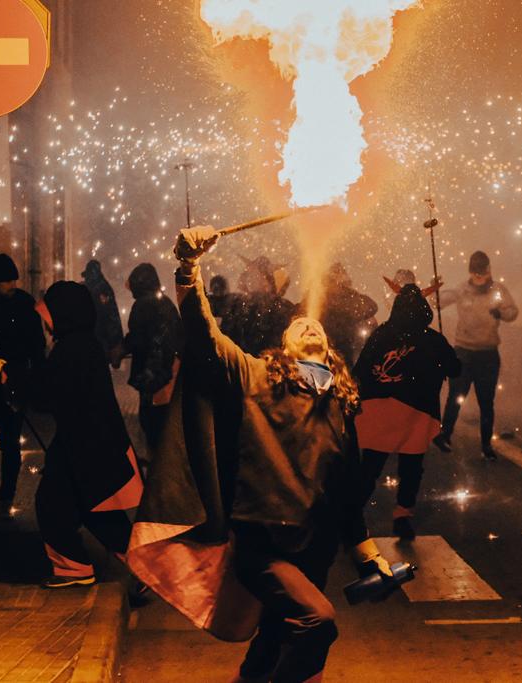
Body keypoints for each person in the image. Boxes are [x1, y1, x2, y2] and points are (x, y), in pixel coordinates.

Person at [128, 226, 397, 683]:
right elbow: (204, 331)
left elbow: (348, 490)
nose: (307, 322)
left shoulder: (338, 402)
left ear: (328, 347)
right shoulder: (254, 377)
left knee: (272, 640)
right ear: (285, 346)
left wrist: (369, 555)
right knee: (317, 622)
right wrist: (189, 267)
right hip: (263, 546)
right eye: (297, 325)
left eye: (313, 324)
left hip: (317, 547)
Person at [30, 282, 142, 587]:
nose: (45, 323)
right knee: (98, 510)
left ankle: (73, 568)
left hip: (82, 447)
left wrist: (12, 380)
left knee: (52, 504)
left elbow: (47, 395)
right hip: (93, 444)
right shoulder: (83, 345)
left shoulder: (71, 350)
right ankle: (147, 570)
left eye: (49, 315)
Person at [354, 284, 460, 539]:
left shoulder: (381, 335)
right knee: (411, 466)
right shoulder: (432, 339)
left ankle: (351, 510)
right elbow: (455, 369)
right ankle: (402, 514)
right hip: (417, 414)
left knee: (370, 466)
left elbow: (361, 370)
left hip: (380, 412)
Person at [434, 250, 519, 460]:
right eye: (475, 274)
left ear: (488, 270)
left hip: (487, 354)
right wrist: (434, 288)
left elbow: (513, 311)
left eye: (482, 273)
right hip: (463, 352)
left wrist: (501, 313)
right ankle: (444, 435)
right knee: (456, 395)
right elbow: (439, 302)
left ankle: (486, 445)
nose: (479, 278)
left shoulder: (498, 290)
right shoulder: (462, 290)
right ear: (471, 272)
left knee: (486, 401)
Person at [0, 253, 45, 520]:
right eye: (5, 281)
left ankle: (6, 496)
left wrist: (34, 374)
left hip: (14, 382)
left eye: (13, 279)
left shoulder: (24, 304)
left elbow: (36, 343)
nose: (11, 284)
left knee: (10, 442)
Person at [124, 263, 182, 463]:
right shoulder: (166, 303)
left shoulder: (143, 305)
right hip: (168, 376)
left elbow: (137, 338)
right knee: (166, 429)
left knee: (152, 425)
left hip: (153, 377)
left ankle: (158, 478)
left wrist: (120, 349)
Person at [223, 256, 299, 355]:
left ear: (266, 280)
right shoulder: (237, 303)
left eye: (253, 274)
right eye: (249, 274)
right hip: (260, 362)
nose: (249, 277)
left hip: (266, 363)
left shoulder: (238, 304)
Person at [318, 262, 378, 365]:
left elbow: (371, 306)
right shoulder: (347, 299)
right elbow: (371, 306)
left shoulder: (319, 299)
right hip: (341, 355)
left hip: (326, 355)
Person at [81, 259, 124, 367]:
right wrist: (115, 342)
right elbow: (112, 316)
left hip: (89, 339)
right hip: (100, 340)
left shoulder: (85, 289)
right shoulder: (104, 289)